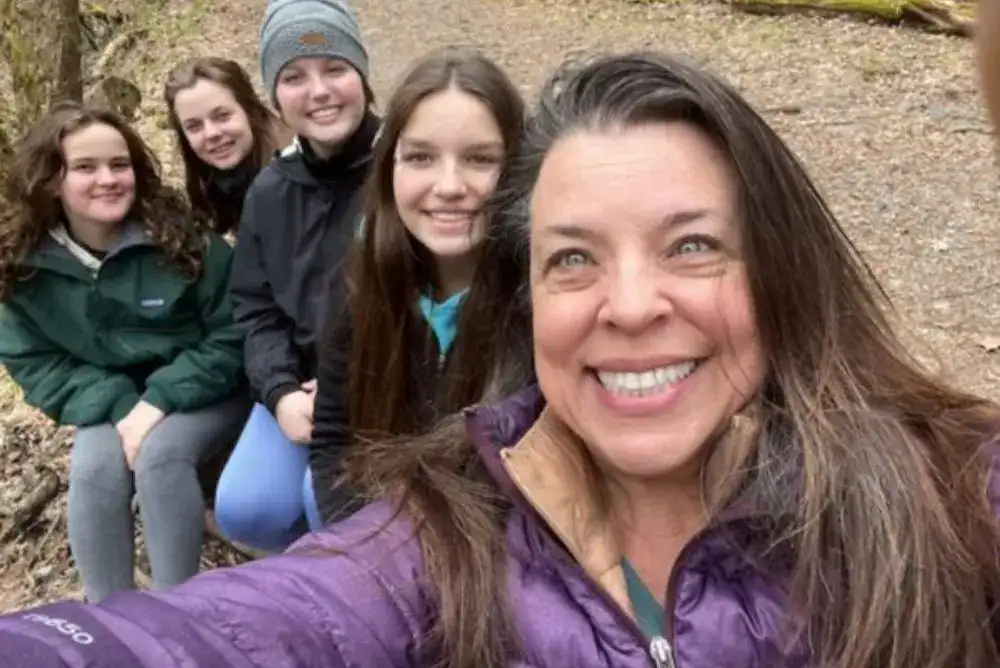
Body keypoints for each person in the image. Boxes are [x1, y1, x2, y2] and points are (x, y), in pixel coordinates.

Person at [3, 51, 1000, 668]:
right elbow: (260, 618)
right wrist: (304, 427)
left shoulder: (945, 487)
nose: (632, 301)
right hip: (377, 470)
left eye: (692, 243)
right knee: (265, 503)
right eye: (576, 257)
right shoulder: (331, 258)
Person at [0, 102, 249, 604]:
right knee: (93, 468)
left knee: (160, 456)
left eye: (119, 164)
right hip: (110, 395)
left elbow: (234, 333)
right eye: (85, 167)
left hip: (206, 387)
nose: (107, 179)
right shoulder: (20, 263)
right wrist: (120, 406)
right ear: (51, 180)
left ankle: (179, 613)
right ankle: (110, 622)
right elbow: (36, 363)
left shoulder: (183, 239)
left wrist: (157, 401)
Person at [308, 47, 527, 524]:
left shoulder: (539, 305)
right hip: (379, 538)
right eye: (421, 157)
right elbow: (333, 441)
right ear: (390, 170)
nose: (449, 185)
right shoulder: (357, 285)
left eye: (479, 159)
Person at [212, 0, 379, 550]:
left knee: (324, 494)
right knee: (243, 508)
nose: (319, 91)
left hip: (382, 387)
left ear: (362, 75)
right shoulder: (270, 191)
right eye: (294, 77)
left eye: (335, 68)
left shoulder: (406, 169)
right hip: (299, 386)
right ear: (274, 96)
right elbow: (255, 310)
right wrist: (281, 391)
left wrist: (344, 390)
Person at [164, 56, 291, 236]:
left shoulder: (295, 178)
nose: (211, 134)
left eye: (222, 116)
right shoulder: (214, 179)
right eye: (194, 126)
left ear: (249, 110)